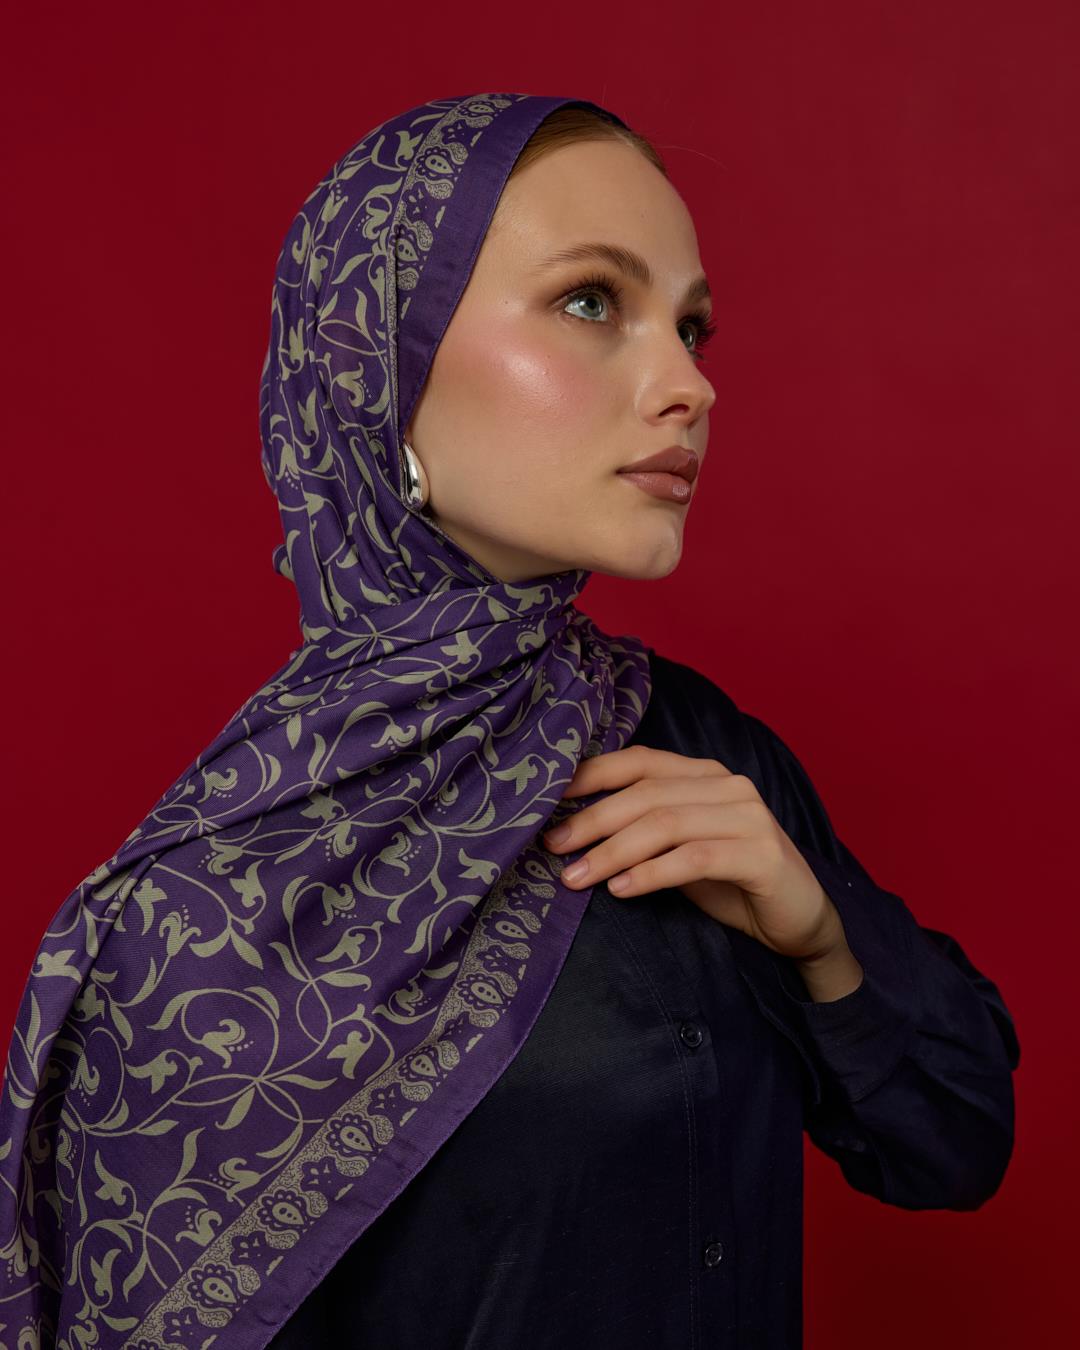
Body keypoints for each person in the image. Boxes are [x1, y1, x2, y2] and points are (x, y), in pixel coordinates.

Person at [0, 93, 1019, 1350]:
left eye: (692, 327)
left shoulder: (694, 748)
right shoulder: (200, 908)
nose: (690, 384)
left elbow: (953, 1143)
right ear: (381, 367)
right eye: (591, 301)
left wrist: (823, 942)